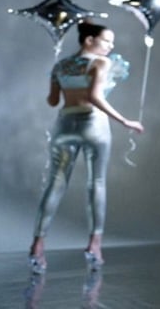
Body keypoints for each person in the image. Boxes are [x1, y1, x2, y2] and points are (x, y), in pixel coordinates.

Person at [28, 22, 145, 274]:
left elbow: (52, 101)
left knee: (55, 184)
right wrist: (125, 121)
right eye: (106, 41)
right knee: (97, 183)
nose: (111, 46)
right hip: (93, 125)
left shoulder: (61, 65)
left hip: (64, 126)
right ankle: (95, 244)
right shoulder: (101, 63)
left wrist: (60, 78)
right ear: (89, 40)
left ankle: (37, 245)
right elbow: (94, 97)